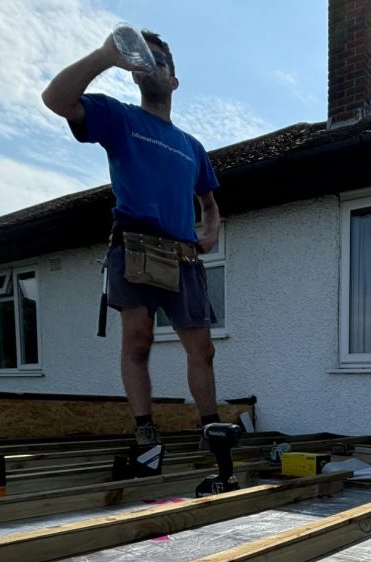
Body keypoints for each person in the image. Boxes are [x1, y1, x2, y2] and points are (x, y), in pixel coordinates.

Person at [41, 28, 221, 448]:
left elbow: (209, 204)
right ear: (135, 72)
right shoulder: (119, 117)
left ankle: (212, 428)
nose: (151, 64)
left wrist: (209, 232)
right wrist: (106, 56)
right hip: (135, 246)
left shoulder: (191, 146)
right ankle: (145, 431)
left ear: (174, 80)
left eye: (160, 60)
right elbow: (56, 99)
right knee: (138, 342)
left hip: (183, 255)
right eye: (145, 58)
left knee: (203, 349)